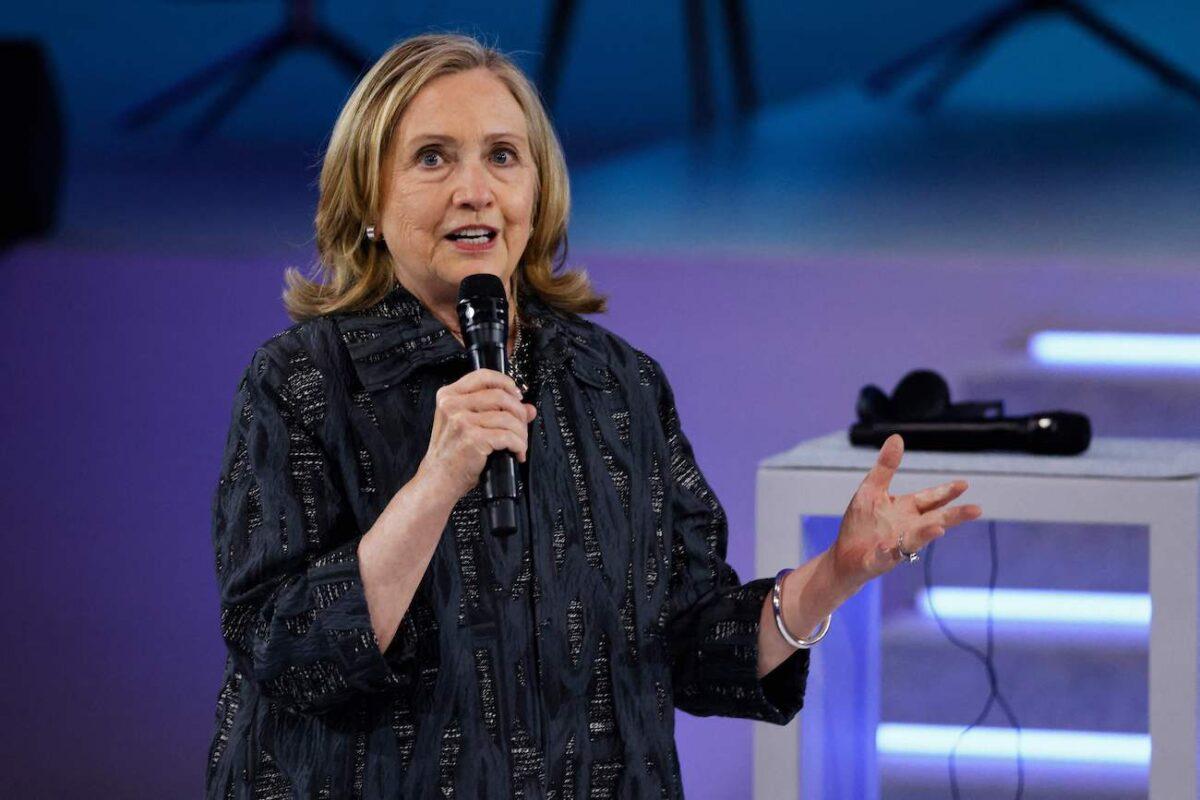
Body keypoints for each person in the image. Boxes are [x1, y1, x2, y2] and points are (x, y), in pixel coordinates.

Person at [204, 33, 982, 799]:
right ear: (368, 198)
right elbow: (286, 650)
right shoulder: (301, 381)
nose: (475, 189)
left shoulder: (617, 382)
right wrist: (435, 484)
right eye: (433, 157)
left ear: (537, 194)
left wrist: (834, 576)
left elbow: (691, 643)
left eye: (503, 156)